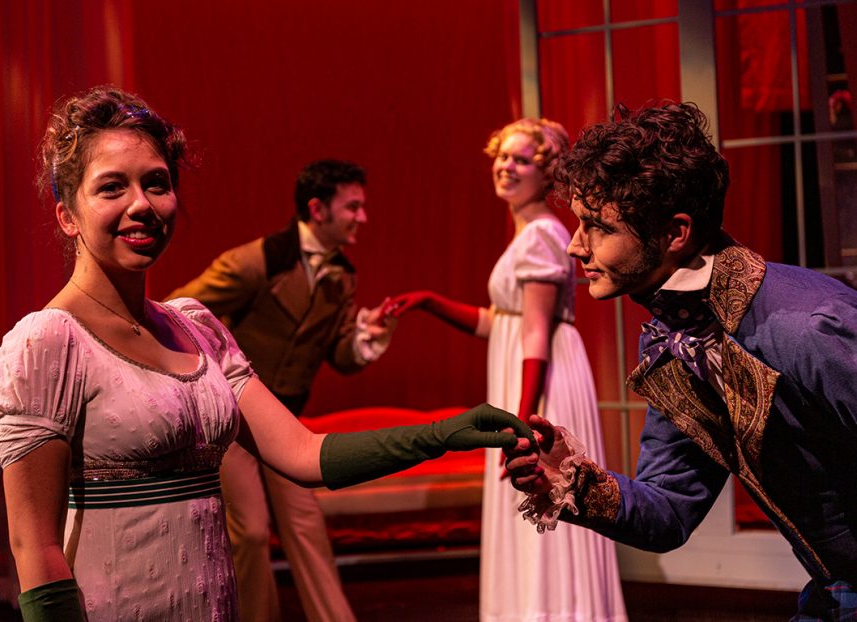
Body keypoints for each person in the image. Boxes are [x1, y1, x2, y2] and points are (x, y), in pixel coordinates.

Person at [0, 85, 533, 622]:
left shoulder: (196, 328)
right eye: (111, 188)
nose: (141, 205)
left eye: (157, 183)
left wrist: (447, 432)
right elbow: (34, 548)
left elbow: (305, 453)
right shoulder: (47, 343)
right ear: (67, 215)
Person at [505, 101, 857, 621]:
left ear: (675, 234)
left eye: (598, 226)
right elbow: (670, 509)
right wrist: (572, 480)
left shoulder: (808, 325)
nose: (576, 246)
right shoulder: (678, 340)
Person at [385, 119, 627, 622]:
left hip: (540, 382)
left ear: (546, 173)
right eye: (501, 157)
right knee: (530, 503)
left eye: (520, 160)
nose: (506, 167)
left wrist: (521, 421)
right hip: (528, 372)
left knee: (541, 489)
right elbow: (502, 323)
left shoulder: (541, 234)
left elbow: (535, 332)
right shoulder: (529, 233)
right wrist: (430, 302)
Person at [167, 159, 391, 622]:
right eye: (353, 207)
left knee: (307, 528)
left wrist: (364, 340)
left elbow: (340, 355)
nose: (362, 218)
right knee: (249, 532)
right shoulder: (257, 261)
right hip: (237, 417)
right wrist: (210, 375)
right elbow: (176, 312)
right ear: (318, 209)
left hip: (286, 419)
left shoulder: (341, 276)